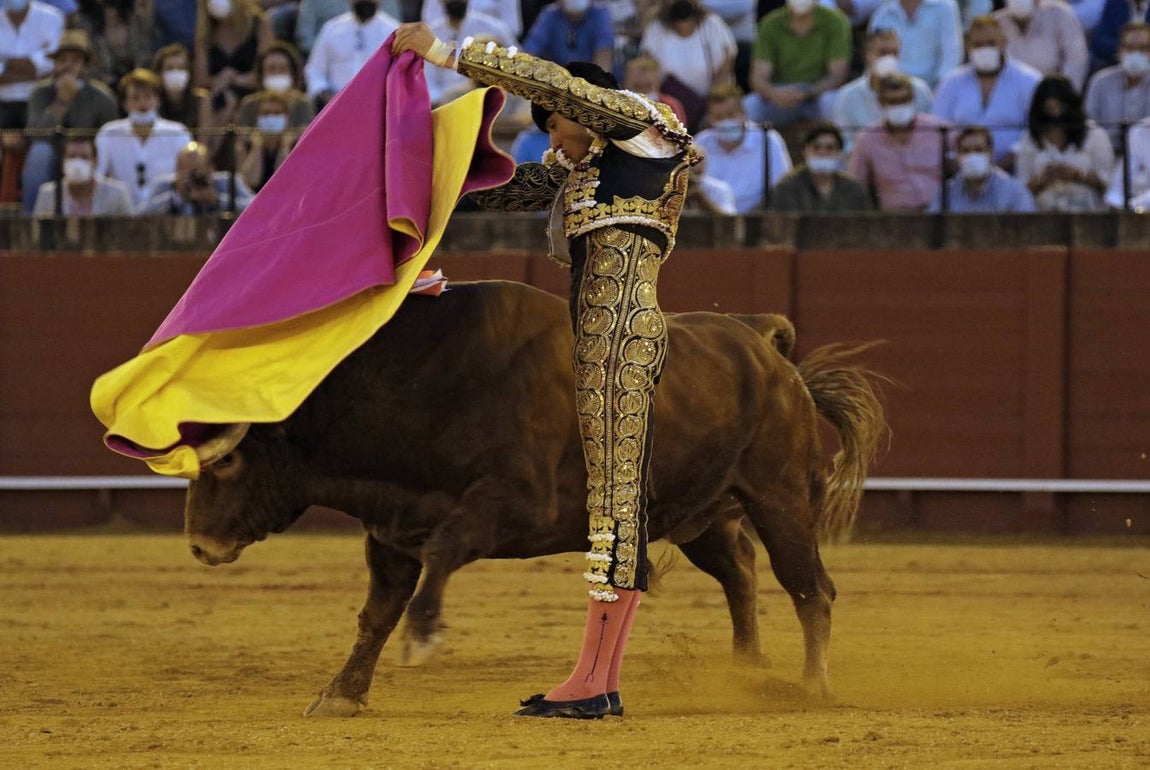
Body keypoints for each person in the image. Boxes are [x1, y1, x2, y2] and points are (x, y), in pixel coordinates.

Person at [393, 21, 700, 720]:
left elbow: (557, 86)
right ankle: (597, 679)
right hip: (595, 340)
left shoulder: (643, 126)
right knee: (608, 504)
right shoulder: (589, 166)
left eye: (555, 124)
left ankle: (594, 683)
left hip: (623, 336)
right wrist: (414, 172)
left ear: (582, 107)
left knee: (618, 504)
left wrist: (448, 55)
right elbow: (505, 187)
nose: (551, 137)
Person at [21, 29, 119, 213]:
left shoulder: (102, 97)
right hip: (53, 154)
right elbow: (35, 134)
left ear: (85, 66)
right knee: (39, 153)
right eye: (62, 60)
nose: (68, 66)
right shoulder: (40, 93)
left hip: (90, 156)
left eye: (74, 61)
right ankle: (32, 220)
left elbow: (111, 137)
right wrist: (60, 102)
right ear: (54, 64)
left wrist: (86, 153)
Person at [932, 15, 1041, 169]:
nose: (985, 49)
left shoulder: (1029, 80)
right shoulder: (951, 83)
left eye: (991, 43)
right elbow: (938, 131)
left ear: (1003, 43)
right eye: (978, 45)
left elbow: (1036, 133)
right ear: (968, 46)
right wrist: (956, 163)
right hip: (960, 172)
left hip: (1016, 170)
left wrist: (1005, 163)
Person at [847, 73, 950, 211]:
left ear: (912, 100)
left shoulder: (939, 130)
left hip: (938, 216)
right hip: (894, 220)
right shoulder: (867, 138)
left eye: (904, 100)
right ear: (881, 104)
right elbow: (856, 185)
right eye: (892, 102)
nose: (899, 106)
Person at [1015, 73, 1114, 211]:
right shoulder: (1031, 138)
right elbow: (1021, 190)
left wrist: (1076, 175)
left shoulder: (1094, 135)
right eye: (1048, 109)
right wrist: (1044, 179)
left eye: (1059, 108)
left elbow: (1109, 186)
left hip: (1088, 215)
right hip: (1042, 217)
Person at [744, 0, 852, 128]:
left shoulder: (835, 21)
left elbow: (837, 75)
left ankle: (838, 146)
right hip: (779, 96)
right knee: (750, 106)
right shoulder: (770, 23)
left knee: (833, 103)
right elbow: (758, 78)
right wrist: (774, 94)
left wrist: (809, 92)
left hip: (817, 94)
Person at [94, 68, 194, 205]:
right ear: (124, 104)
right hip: (121, 212)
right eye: (135, 98)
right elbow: (98, 178)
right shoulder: (108, 134)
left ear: (158, 100)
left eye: (148, 97)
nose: (142, 104)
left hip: (166, 211)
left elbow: (187, 178)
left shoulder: (178, 133)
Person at [639, 0, 736, 131]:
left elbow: (725, 69)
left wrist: (711, 107)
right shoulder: (656, 28)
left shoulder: (712, 24)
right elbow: (649, 71)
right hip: (668, 110)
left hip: (707, 108)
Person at [694, 83, 791, 213]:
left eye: (730, 115)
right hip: (711, 220)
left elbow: (781, 188)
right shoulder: (700, 143)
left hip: (757, 220)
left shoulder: (768, 140)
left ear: (743, 113)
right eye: (718, 117)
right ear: (710, 119)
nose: (725, 121)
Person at [832, 28, 933, 151]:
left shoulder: (919, 90)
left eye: (894, 53)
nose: (889, 59)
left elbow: (930, 135)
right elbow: (845, 142)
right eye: (883, 53)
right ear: (868, 55)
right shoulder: (848, 97)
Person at [305, 0, 401, 107]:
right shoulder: (331, 29)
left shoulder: (394, 32)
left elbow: (400, 78)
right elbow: (315, 71)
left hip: (377, 108)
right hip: (334, 107)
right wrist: (326, 94)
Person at [193, 0, 274, 127]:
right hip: (218, 98)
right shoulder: (206, 33)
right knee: (223, 101)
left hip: (253, 95)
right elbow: (200, 81)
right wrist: (220, 80)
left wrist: (233, 79)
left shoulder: (259, 24)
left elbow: (268, 72)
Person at [424, 0, 515, 106]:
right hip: (445, 105)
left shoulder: (495, 29)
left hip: (491, 100)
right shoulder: (431, 35)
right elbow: (428, 81)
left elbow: (515, 69)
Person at [928, 125, 1036, 212]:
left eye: (978, 150)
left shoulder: (1015, 192)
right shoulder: (947, 193)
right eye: (965, 151)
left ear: (991, 153)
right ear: (957, 156)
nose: (972, 155)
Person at [773, 123, 872, 212]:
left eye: (830, 148)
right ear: (805, 151)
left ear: (839, 153)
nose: (823, 153)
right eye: (816, 147)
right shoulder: (787, 187)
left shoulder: (853, 189)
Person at [137, 140, 255, 214]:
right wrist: (176, 198)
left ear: (211, 168)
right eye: (185, 171)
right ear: (176, 171)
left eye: (197, 170)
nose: (192, 177)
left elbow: (258, 208)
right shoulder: (164, 185)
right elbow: (139, 215)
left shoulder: (228, 182)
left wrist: (218, 201)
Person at [1084, 21, 1150, 152]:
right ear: (1119, 51)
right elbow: (1089, 127)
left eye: (1142, 49)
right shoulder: (1099, 83)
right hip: (1107, 154)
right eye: (1129, 48)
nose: (1135, 54)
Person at [993, 0, 1088, 90]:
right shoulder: (995, 23)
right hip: (1014, 97)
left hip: (1053, 95)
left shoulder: (1059, 14)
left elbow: (1076, 60)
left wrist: (1063, 94)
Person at [32, 134, 135, 215]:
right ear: (62, 161)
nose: (77, 163)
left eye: (84, 157)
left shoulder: (117, 194)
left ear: (95, 162)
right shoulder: (48, 194)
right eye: (72, 157)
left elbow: (132, 233)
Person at [866, 0, 962, 88]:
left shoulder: (945, 7)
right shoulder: (883, 12)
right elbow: (873, 54)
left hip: (934, 87)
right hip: (892, 87)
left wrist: (941, 88)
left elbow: (951, 53)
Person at [234, 42, 315, 129]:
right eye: (271, 69)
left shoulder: (304, 105)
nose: (277, 73)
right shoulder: (249, 104)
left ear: (293, 74)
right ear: (261, 74)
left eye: (282, 69)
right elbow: (241, 139)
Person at [521, 0, 616, 73]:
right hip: (557, 80)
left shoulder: (600, 13)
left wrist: (597, 87)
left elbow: (604, 57)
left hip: (590, 81)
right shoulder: (549, 15)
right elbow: (529, 52)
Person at [234, 90, 298, 191]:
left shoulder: (295, 144)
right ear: (257, 117)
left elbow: (285, 181)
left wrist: (284, 147)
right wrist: (257, 147)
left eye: (276, 113)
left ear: (286, 118)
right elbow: (251, 181)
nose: (271, 117)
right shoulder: (245, 145)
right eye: (265, 113)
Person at [295, 0, 400, 58]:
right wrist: (332, 50)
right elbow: (305, 34)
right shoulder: (330, 28)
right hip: (335, 89)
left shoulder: (393, 27)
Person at [152, 43, 212, 134]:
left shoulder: (201, 101)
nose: (176, 72)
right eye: (169, 68)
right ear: (159, 73)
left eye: (181, 68)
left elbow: (203, 143)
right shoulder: (152, 101)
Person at [620, 52, 688, 127]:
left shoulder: (670, 104)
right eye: (635, 71)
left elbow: (679, 133)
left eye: (646, 70)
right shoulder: (619, 103)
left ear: (656, 75)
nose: (642, 75)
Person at [421, 0, 522, 38]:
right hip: (445, 52)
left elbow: (512, 28)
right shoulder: (437, 27)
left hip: (489, 53)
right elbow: (430, 21)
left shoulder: (496, 28)